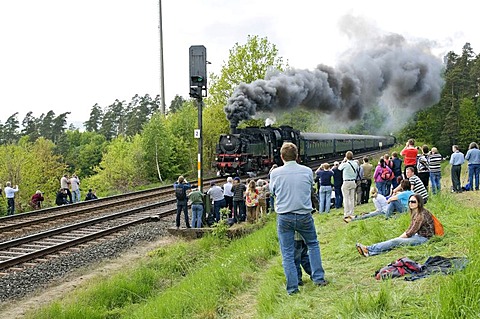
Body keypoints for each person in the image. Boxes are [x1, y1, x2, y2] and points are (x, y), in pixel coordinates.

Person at [269, 142, 327, 295]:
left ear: (282, 157)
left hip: (284, 216)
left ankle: (293, 288)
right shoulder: (307, 171)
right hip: (304, 215)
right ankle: (319, 278)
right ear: (297, 156)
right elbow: (310, 189)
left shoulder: (275, 173)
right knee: (313, 244)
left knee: (287, 253)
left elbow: (272, 192)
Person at [356, 194, 435, 257]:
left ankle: (368, 248)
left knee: (396, 241)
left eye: (413, 202)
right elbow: (411, 228)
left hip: (424, 238)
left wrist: (399, 238)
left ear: (419, 203)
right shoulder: (416, 212)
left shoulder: (420, 215)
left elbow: (410, 232)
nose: (411, 203)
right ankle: (370, 252)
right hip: (419, 235)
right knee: (396, 242)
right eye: (410, 201)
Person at [338, 151, 359, 222]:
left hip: (346, 182)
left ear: (346, 157)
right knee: (352, 198)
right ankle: (352, 212)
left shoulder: (345, 164)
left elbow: (339, 168)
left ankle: (346, 213)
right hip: (353, 181)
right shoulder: (355, 163)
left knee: (346, 198)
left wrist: (343, 161)